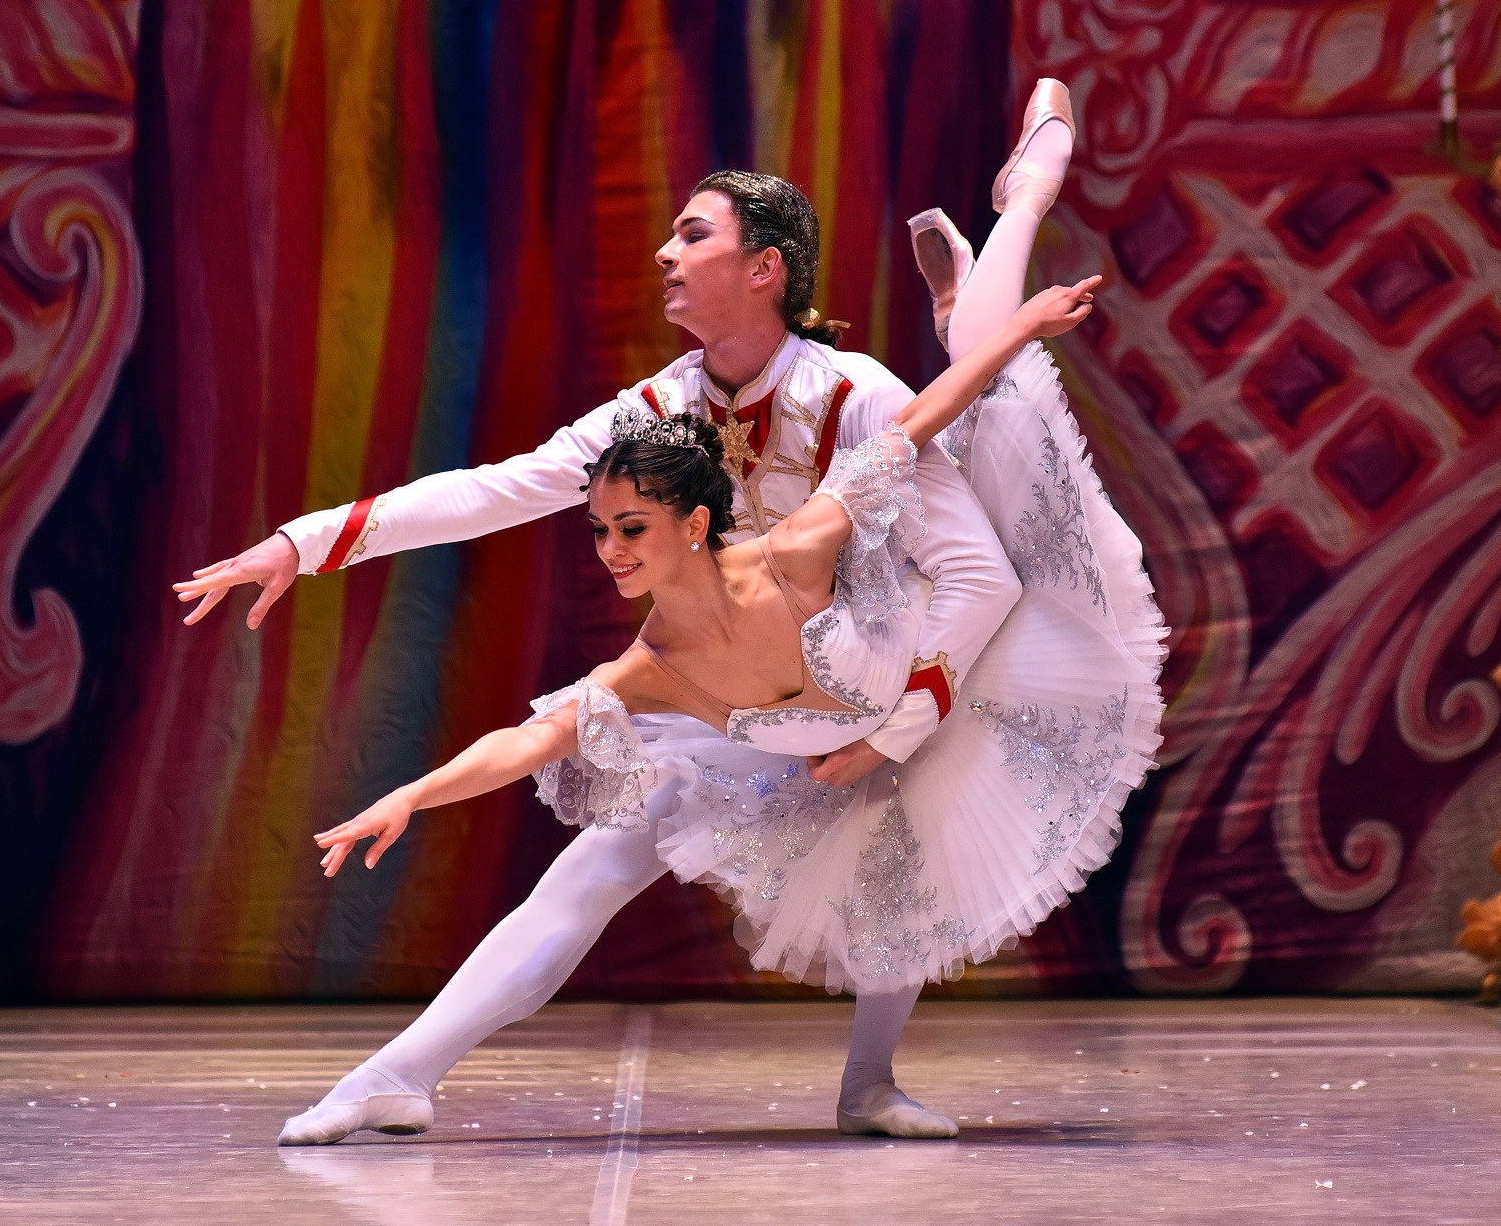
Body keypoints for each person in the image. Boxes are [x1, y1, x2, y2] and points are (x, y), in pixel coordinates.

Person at [178, 81, 1161, 1144]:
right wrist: (305, 542)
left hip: (893, 669)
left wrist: (899, 730)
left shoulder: (851, 393)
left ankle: (1023, 202)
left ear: (764, 268)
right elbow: (502, 488)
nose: (663, 251)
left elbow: (981, 580)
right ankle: (395, 1075)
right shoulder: (655, 412)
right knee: (594, 865)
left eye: (693, 234)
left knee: (907, 837)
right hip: (741, 686)